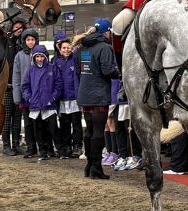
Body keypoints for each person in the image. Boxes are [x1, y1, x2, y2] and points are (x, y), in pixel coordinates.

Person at [77, 18, 119, 179]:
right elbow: (108, 71)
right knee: (98, 132)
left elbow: (79, 71)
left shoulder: (83, 47)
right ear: (107, 32)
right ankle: (96, 167)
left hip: (85, 93)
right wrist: (120, 72)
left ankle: (89, 165)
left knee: (89, 130)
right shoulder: (105, 47)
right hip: (99, 94)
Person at [20, 44, 58, 161]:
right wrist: (29, 98)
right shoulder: (30, 70)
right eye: (37, 57)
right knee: (39, 129)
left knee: (52, 128)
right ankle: (42, 151)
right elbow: (25, 86)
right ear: (34, 58)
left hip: (49, 104)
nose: (40, 59)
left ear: (45, 56)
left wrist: (53, 97)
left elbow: (58, 84)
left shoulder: (52, 68)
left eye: (41, 56)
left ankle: (56, 149)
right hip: (35, 104)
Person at [51, 30, 82, 159]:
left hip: (74, 97)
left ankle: (77, 145)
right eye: (63, 48)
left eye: (68, 47)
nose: (66, 50)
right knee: (64, 123)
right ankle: (66, 146)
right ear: (59, 49)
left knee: (76, 123)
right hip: (62, 98)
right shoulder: (55, 61)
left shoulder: (75, 59)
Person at [10, 30, 40, 158]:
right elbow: (16, 77)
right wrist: (17, 97)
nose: (30, 42)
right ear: (24, 41)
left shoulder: (40, 54)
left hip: (39, 95)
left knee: (39, 123)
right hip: (25, 96)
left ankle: (42, 147)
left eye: (33, 39)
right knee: (28, 123)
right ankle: (30, 147)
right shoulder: (19, 56)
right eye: (28, 40)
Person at [1, 17, 28, 156]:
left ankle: (16, 144)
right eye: (16, 27)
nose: (18, 30)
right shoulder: (6, 43)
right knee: (6, 117)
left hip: (19, 87)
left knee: (17, 117)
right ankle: (6, 145)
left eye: (21, 28)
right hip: (7, 86)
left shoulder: (22, 45)